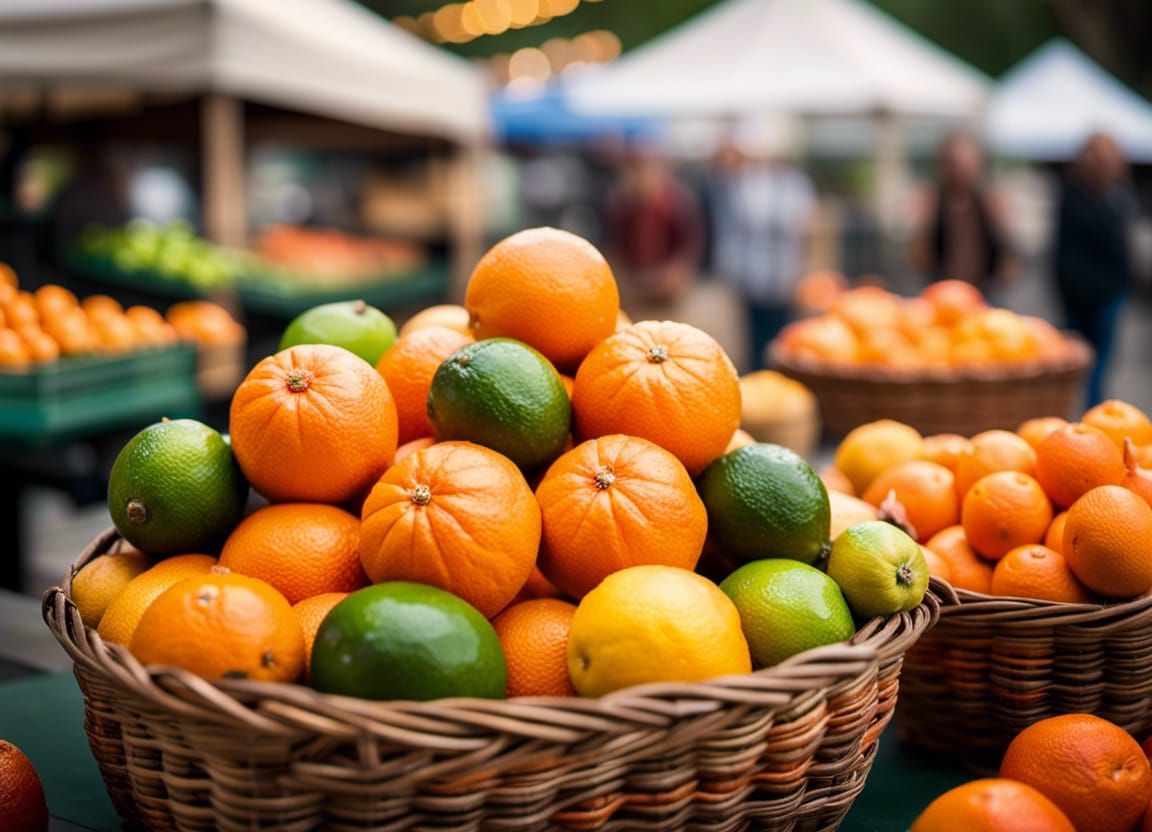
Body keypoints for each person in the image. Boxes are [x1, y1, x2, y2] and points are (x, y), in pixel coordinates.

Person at [710, 120, 816, 370]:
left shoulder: (793, 184)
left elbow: (803, 231)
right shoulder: (742, 183)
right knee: (753, 336)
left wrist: (800, 273)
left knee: (783, 335)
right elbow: (732, 229)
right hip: (750, 276)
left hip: (783, 275)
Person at [1054, 132, 1135, 406]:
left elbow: (1122, 248)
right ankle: (1082, 421)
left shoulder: (1118, 197)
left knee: (1099, 367)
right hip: (1078, 297)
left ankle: (1094, 420)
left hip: (1109, 296)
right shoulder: (1074, 197)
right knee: (1077, 367)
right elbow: (1065, 252)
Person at [911, 132, 1014, 296]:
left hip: (984, 289)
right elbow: (920, 257)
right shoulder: (934, 201)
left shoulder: (988, 201)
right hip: (943, 290)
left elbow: (1007, 249)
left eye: (967, 164)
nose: (961, 170)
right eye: (955, 164)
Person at [603, 145, 704, 308]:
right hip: (634, 289)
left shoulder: (678, 203)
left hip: (668, 290)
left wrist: (675, 273)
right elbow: (614, 246)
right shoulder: (622, 205)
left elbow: (690, 244)